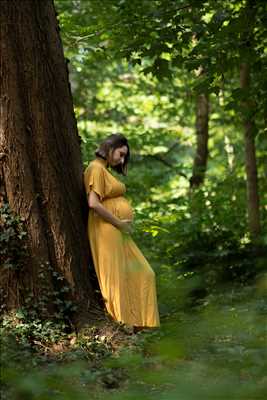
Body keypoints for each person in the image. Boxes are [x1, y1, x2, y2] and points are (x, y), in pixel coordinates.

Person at [84, 133, 160, 329]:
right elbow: (93, 203)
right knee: (115, 278)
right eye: (121, 153)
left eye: (124, 156)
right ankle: (121, 323)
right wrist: (119, 223)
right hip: (106, 229)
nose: (122, 159)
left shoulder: (104, 170)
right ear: (110, 147)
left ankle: (139, 323)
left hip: (116, 230)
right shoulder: (95, 169)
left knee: (145, 273)